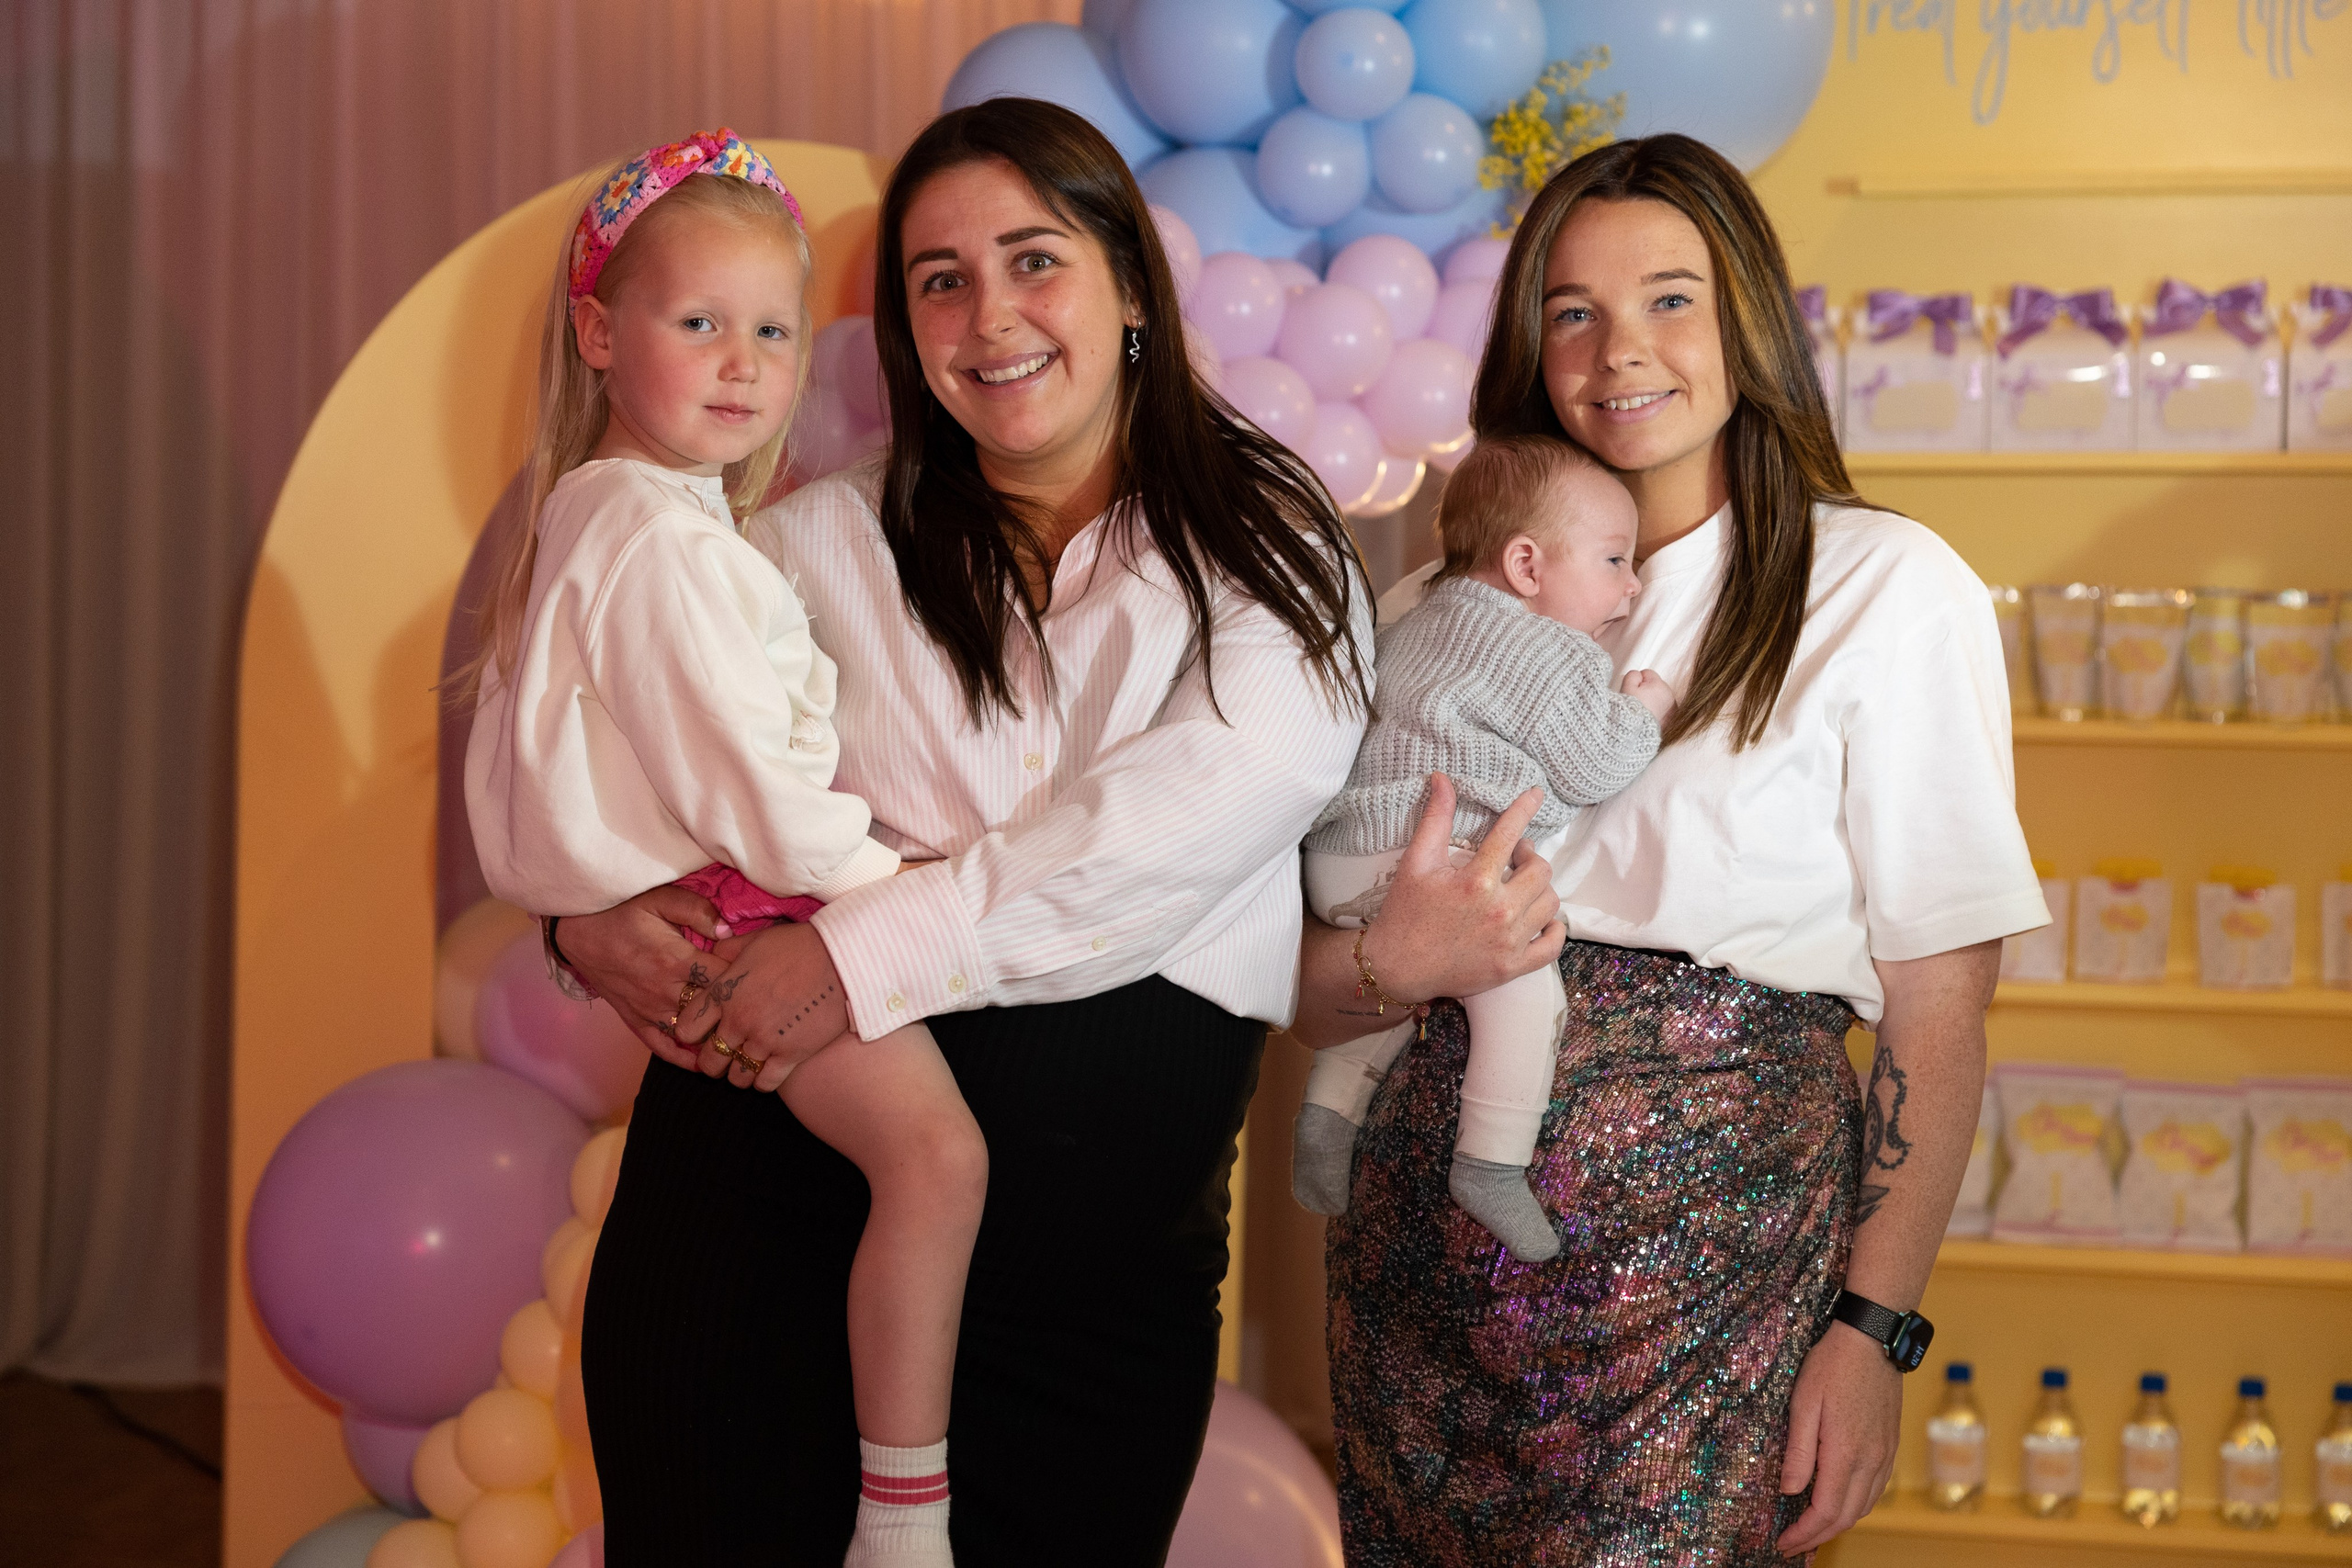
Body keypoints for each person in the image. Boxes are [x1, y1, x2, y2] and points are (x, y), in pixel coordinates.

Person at [541, 99, 1374, 1566]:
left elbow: (1185, 819)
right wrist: (574, 922)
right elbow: (614, 752)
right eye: (939, 279)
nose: (991, 315)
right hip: (753, 1241)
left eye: (1035, 259)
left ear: (1129, 285)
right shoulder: (806, 545)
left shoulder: (1270, 545)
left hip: (1086, 1311)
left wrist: (865, 950)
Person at [1290, 133, 2049, 1563]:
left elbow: (1942, 1016)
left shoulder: (1884, 590)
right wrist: (1398, 959)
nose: (1617, 350)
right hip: (1410, 1290)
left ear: (1747, 320)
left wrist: (1874, 1331)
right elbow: (1305, 983)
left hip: (1707, 1303)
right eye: (1571, 310)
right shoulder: (1433, 608)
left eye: (1669, 299)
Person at [458, 129, 986, 1568]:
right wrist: (899, 895)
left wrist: (579, 909)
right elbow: (753, 780)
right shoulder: (662, 542)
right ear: (598, 332)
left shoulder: (611, 515)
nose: (746, 362)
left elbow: (523, 790)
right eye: (700, 323)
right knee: (937, 1156)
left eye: (769, 328)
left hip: (696, 897)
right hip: (749, 898)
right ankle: (905, 1515)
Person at [1292, 435, 1672, 1263]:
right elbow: (1595, 761)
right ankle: (1492, 1163)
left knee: (1398, 984)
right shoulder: (1547, 648)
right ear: (1528, 565)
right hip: (1438, 858)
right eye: (1615, 560)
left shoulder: (1413, 618)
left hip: (1339, 862)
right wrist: (1646, 707)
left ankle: (1328, 1114)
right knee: (1524, 997)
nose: (1632, 585)